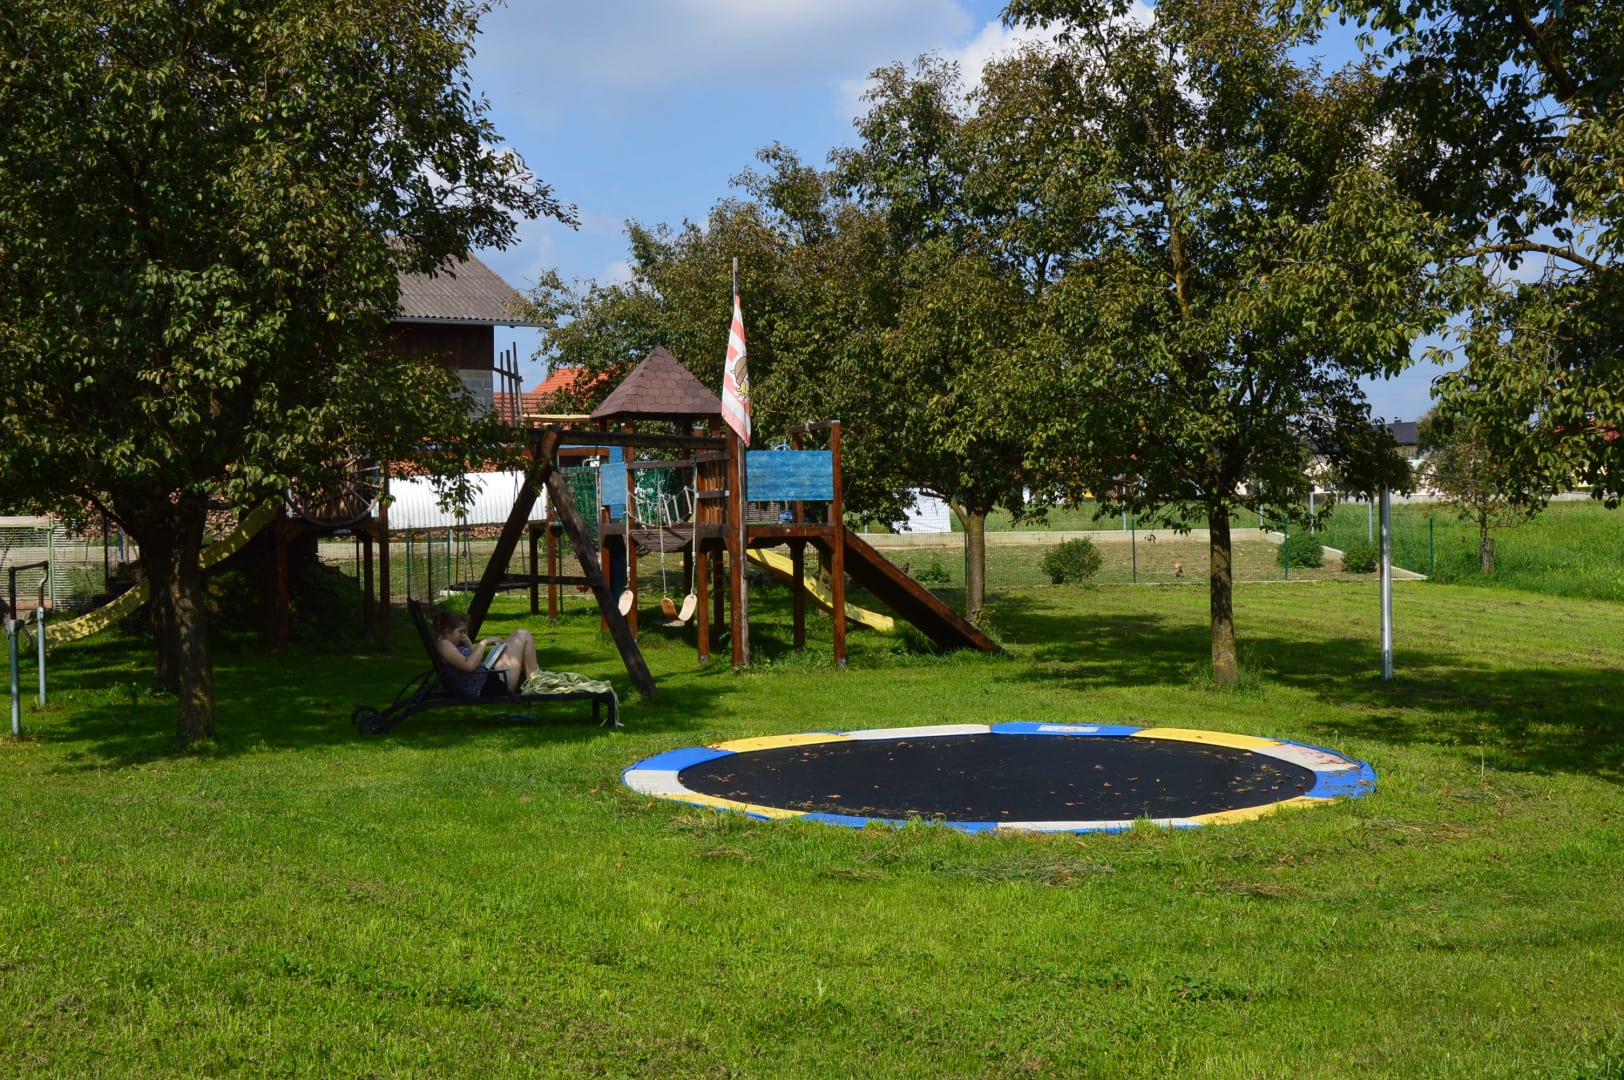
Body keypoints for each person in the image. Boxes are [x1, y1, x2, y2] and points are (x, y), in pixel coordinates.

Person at [432, 608, 539, 698]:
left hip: (487, 680)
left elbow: (472, 657)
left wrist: (466, 640)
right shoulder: (444, 644)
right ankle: (536, 684)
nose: (463, 635)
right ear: (447, 631)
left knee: (517, 634)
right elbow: (469, 666)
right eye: (460, 632)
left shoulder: (449, 644)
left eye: (465, 632)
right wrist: (483, 643)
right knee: (523, 634)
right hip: (488, 687)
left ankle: (534, 682)